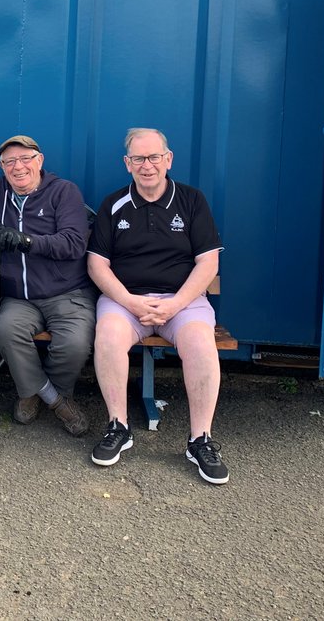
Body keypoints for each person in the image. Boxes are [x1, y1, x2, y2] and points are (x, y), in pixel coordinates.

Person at [86, 128, 229, 484]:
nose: (146, 166)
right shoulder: (113, 203)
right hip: (125, 300)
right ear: (127, 164)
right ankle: (118, 427)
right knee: (107, 336)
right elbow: (97, 265)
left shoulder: (192, 201)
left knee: (200, 343)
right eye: (138, 159)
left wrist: (175, 304)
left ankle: (200, 440)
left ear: (168, 159)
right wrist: (129, 301)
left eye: (153, 157)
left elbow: (208, 263)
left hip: (184, 301)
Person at [0, 135, 96, 437]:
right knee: (7, 331)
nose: (18, 167)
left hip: (67, 292)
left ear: (39, 161)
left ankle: (45, 392)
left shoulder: (63, 191)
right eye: (10, 161)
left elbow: (74, 243)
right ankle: (53, 400)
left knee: (75, 344)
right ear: (2, 167)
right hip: (20, 297)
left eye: (26, 159)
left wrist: (27, 242)